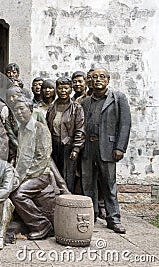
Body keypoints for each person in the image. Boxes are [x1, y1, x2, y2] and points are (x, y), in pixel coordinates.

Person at [81, 68, 131, 233]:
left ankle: (114, 218)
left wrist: (120, 147)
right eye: (94, 77)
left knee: (109, 184)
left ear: (108, 80)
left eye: (102, 77)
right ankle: (91, 216)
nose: (98, 80)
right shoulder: (86, 101)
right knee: (88, 184)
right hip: (88, 147)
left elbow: (125, 124)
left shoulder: (117, 98)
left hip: (108, 148)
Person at [9, 96, 56, 240]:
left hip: (40, 175)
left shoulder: (40, 128)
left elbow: (42, 159)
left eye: (22, 108)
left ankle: (42, 225)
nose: (19, 112)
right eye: (16, 110)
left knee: (19, 195)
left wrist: (23, 177)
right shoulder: (22, 129)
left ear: (30, 109)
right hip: (25, 174)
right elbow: (21, 156)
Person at [46, 77, 85, 193]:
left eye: (66, 88)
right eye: (60, 88)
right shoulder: (52, 107)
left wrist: (76, 148)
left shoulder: (76, 108)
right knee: (54, 175)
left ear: (70, 90)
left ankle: (68, 201)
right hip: (53, 145)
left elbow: (80, 129)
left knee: (68, 176)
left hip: (68, 146)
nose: (63, 91)